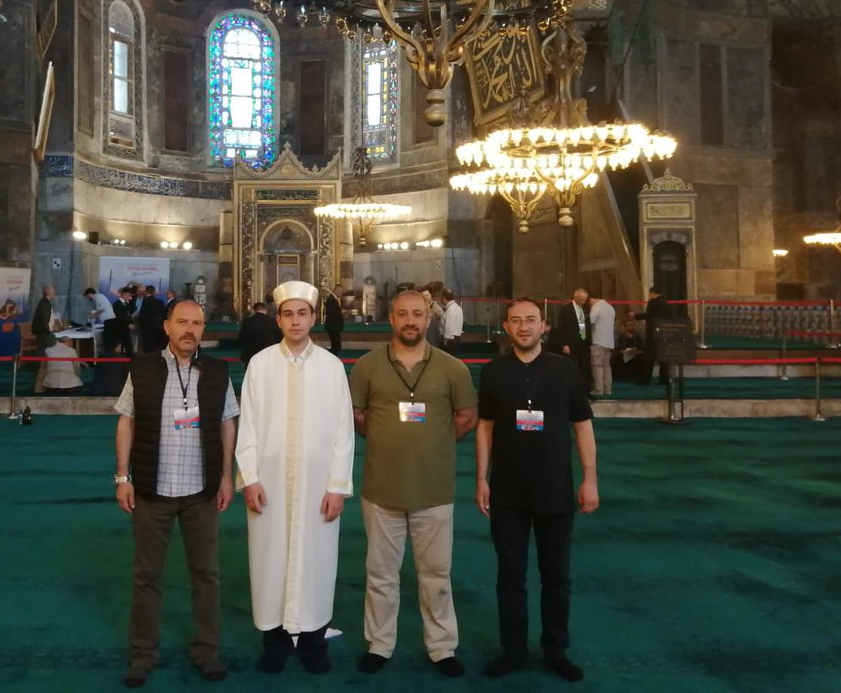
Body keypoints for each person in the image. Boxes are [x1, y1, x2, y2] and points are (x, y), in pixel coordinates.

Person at [348, 289, 478, 677]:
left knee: (436, 575)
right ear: (391, 319)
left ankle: (442, 647)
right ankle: (380, 643)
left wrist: (432, 444)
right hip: (382, 488)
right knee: (381, 574)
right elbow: (358, 416)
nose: (410, 321)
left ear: (429, 319)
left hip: (434, 489)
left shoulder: (453, 368)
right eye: (402, 314)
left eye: (417, 314)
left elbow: (466, 416)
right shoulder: (367, 366)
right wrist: (391, 441)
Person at [113, 300, 239, 688]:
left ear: (204, 329)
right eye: (182, 322)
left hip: (201, 491)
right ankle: (143, 653)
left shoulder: (218, 372)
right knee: (146, 576)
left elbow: (227, 425)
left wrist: (226, 476)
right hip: (152, 490)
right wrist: (123, 477)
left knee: (207, 574)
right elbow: (127, 422)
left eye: (197, 323)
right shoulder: (143, 368)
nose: (189, 329)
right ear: (166, 326)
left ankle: (206, 650)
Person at [476, 298, 598, 683]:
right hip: (508, 490)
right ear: (506, 328)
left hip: (555, 489)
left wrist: (590, 478)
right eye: (516, 321)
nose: (524, 327)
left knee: (556, 575)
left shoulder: (566, 371)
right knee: (510, 575)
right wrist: (481, 477)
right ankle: (513, 650)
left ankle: (555, 649)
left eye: (531, 320)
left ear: (543, 326)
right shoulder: (494, 372)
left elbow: (582, 426)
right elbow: (485, 427)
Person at [236, 281, 355, 675]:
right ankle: (273, 642)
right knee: (269, 561)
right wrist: (250, 478)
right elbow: (248, 425)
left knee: (318, 562)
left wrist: (337, 486)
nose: (295, 320)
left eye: (302, 313)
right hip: (267, 484)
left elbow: (343, 432)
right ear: (279, 318)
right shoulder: (261, 364)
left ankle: (313, 642)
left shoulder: (332, 367)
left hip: (317, 486)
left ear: (314, 317)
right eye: (288, 313)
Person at [550, 288, 591, 392]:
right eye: (582, 299)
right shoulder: (566, 309)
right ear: (576, 297)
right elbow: (561, 328)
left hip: (583, 343)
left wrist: (589, 341)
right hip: (571, 344)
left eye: (585, 300)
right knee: (570, 367)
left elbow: (587, 326)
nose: (583, 302)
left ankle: (585, 391)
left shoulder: (585, 309)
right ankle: (570, 390)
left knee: (585, 368)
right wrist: (564, 344)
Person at [632, 286, 671, 385]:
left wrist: (636, 316)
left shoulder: (652, 302)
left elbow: (649, 315)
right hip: (663, 333)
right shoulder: (666, 303)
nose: (649, 296)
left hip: (652, 333)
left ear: (653, 293)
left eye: (649, 294)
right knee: (663, 358)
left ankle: (645, 379)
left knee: (648, 357)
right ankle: (664, 379)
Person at [587, 294, 616, 397]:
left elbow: (590, 322)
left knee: (597, 366)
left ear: (592, 299)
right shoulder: (610, 307)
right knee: (607, 366)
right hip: (609, 342)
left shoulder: (596, 307)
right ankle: (608, 389)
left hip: (598, 340)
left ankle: (598, 389)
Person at [32, 285, 57, 394]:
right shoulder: (44, 304)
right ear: (48, 292)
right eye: (53, 291)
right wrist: (49, 331)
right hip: (44, 334)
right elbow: (44, 320)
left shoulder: (45, 303)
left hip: (44, 333)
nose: (55, 293)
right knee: (47, 351)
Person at [85, 286, 116, 353]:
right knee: (107, 338)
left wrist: (95, 314)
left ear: (89, 294)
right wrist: (90, 323)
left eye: (87, 296)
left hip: (109, 320)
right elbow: (97, 313)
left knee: (108, 339)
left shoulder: (98, 297)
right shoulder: (97, 298)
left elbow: (103, 308)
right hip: (108, 320)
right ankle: (109, 354)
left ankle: (109, 356)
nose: (87, 298)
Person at [612, 318, 644, 383]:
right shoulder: (621, 336)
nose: (630, 326)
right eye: (629, 325)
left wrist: (637, 351)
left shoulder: (637, 336)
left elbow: (641, 347)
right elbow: (618, 348)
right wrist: (623, 351)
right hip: (624, 354)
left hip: (635, 354)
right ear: (625, 326)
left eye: (632, 325)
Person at [138, 285, 167, 353]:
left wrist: (141, 326)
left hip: (147, 328)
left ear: (146, 292)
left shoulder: (145, 302)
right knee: (157, 346)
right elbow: (164, 315)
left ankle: (148, 361)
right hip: (158, 328)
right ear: (154, 292)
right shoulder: (160, 302)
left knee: (147, 347)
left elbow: (142, 315)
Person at [441, 288, 463, 355]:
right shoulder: (458, 307)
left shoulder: (450, 310)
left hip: (450, 341)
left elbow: (449, 327)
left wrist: (445, 341)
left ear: (443, 298)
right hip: (456, 338)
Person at [324, 284, 345, 355]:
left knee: (336, 344)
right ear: (335, 290)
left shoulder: (334, 299)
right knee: (335, 344)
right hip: (333, 325)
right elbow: (331, 312)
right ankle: (333, 358)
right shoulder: (330, 299)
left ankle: (335, 357)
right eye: (340, 292)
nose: (341, 294)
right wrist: (340, 312)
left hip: (335, 326)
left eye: (342, 292)